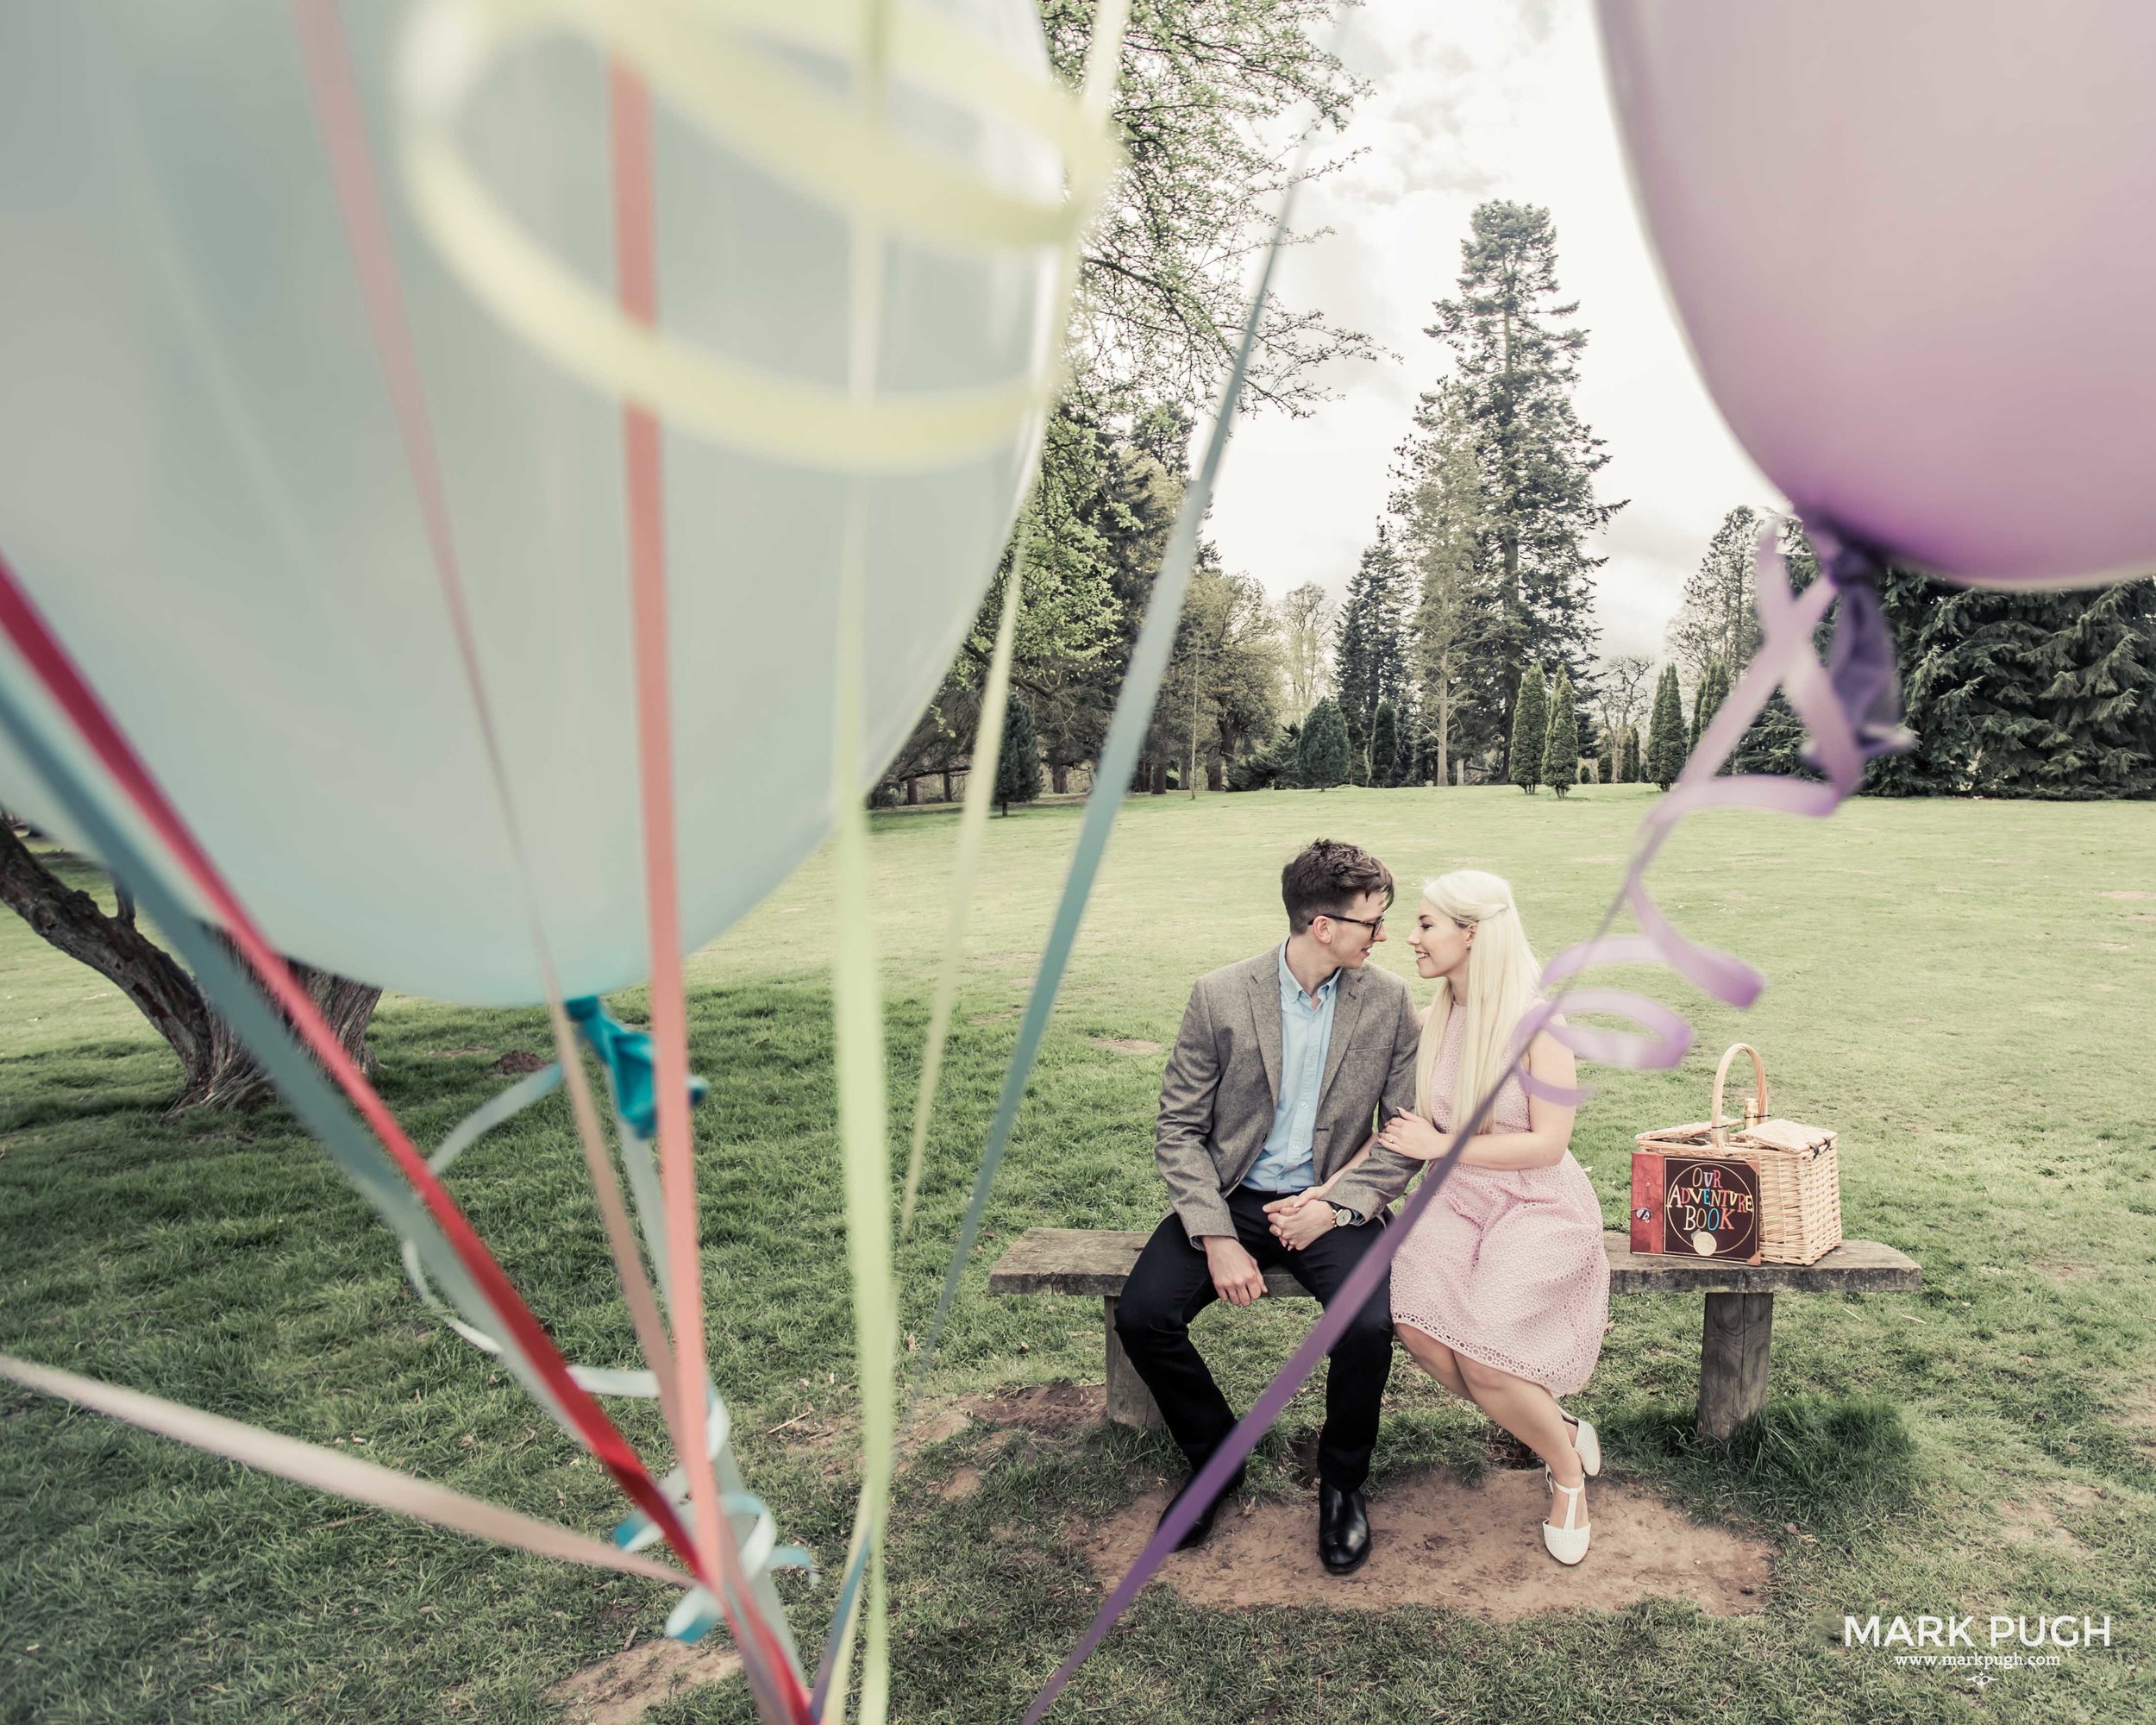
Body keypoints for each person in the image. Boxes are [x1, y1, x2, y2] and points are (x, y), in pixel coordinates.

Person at [1270, 869, 1610, 1564]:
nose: (1408, 939)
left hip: (1536, 1201)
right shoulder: (1432, 1022)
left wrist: (1441, 1145)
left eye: (1425, 925)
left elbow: (1549, 1143)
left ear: (1472, 935)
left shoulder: (1541, 1022)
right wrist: (1327, 1194)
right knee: (1419, 1333)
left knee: (1484, 1360)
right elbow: (1395, 1130)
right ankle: (1561, 1427)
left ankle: (1567, 1473)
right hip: (1453, 1201)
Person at [1115, 838, 1426, 1574]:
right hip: (1234, 1196)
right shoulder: (1220, 995)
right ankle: (1216, 1458)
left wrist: (1338, 1206)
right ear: (1323, 925)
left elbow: (1404, 1133)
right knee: (1143, 1316)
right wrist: (1218, 1236)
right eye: (1372, 923)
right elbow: (1180, 1130)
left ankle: (1342, 1483)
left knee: (1367, 1323)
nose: (1383, 936)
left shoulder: (1389, 1001)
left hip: (1331, 1204)